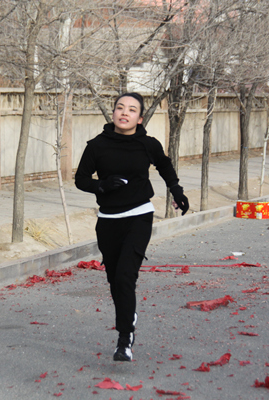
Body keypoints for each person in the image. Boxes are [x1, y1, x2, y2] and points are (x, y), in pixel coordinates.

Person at [75, 92, 189, 362]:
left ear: (139, 118)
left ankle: (124, 339)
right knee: (115, 280)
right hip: (108, 221)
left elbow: (164, 165)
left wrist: (177, 190)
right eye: (120, 107)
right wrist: (101, 185)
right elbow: (81, 179)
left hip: (139, 215)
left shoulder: (147, 144)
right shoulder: (97, 146)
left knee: (126, 276)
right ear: (113, 112)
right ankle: (129, 315)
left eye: (132, 109)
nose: (124, 112)